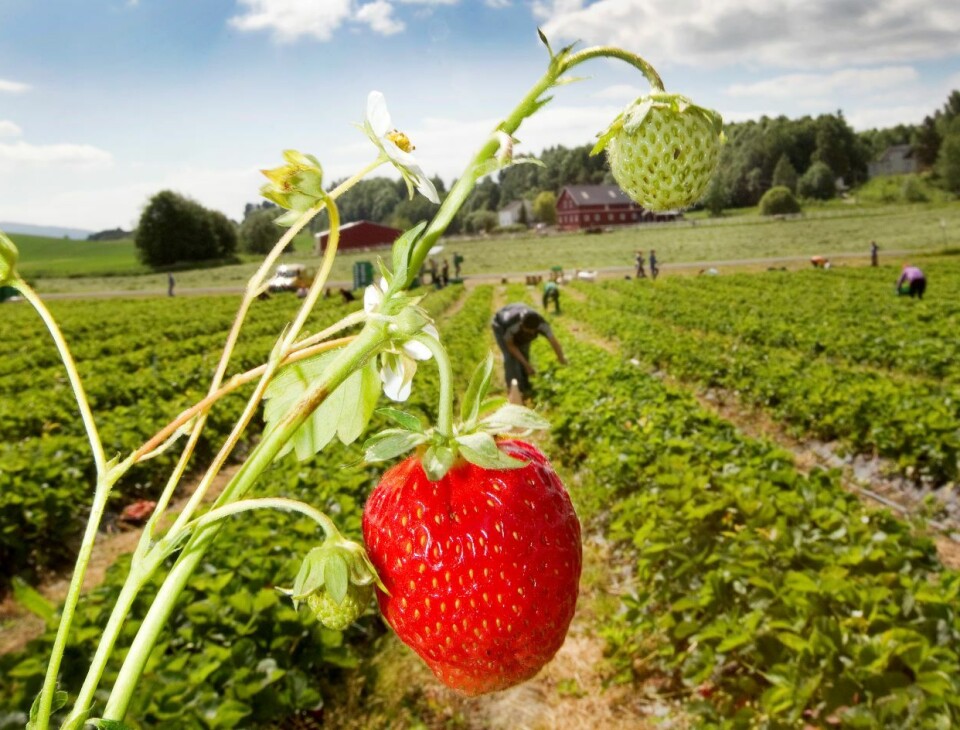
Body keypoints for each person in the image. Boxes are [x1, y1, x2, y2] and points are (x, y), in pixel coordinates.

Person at [491, 303, 567, 396]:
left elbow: (554, 342)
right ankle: (514, 390)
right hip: (501, 326)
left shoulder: (542, 324)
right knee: (511, 358)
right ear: (522, 325)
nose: (530, 333)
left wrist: (561, 358)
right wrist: (526, 365)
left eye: (532, 331)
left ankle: (525, 385)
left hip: (518, 322)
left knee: (524, 354)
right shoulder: (512, 324)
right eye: (528, 331)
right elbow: (511, 346)